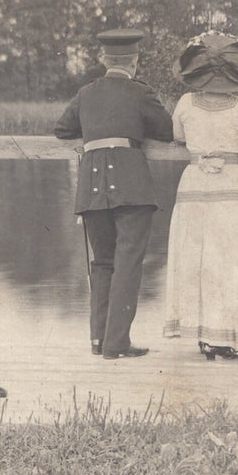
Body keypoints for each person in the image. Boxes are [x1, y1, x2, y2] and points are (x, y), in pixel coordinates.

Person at [53, 29, 174, 360]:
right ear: (134, 61)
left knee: (102, 262)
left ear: (104, 60)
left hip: (92, 186)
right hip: (130, 184)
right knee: (128, 262)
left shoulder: (86, 93)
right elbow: (166, 130)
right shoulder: (140, 92)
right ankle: (117, 343)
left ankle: (99, 340)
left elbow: (63, 129)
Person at [161, 31, 238, 360]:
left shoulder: (185, 103)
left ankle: (204, 332)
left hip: (195, 183)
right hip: (232, 185)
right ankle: (226, 335)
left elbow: (178, 135)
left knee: (197, 259)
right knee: (232, 259)